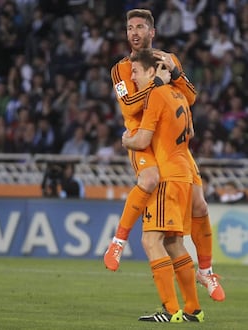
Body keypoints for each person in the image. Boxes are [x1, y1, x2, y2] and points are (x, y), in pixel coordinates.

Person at [103, 9, 225, 302]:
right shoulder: (121, 69)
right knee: (149, 178)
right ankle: (118, 241)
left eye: (140, 27)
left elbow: (190, 97)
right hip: (142, 140)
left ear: (152, 32)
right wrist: (158, 85)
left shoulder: (168, 59)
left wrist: (176, 72)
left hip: (172, 142)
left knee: (200, 205)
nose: (134, 32)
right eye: (129, 27)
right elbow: (130, 105)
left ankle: (206, 271)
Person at [122, 48, 203, 322]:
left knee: (150, 239)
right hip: (185, 176)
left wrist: (126, 141)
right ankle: (193, 309)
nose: (131, 76)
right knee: (173, 242)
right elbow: (190, 132)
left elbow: (142, 140)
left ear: (151, 72)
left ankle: (171, 311)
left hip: (167, 178)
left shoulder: (155, 95)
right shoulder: (179, 94)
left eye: (135, 71)